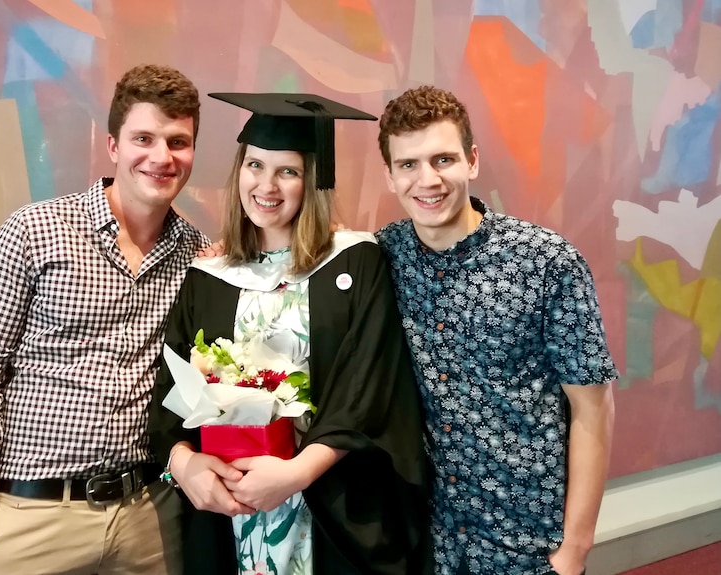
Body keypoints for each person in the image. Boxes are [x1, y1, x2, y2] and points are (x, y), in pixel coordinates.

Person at [0, 63, 210, 575]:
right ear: (113, 146)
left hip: (149, 516)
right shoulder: (34, 231)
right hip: (35, 514)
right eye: (144, 138)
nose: (162, 156)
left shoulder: (197, 257)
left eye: (178, 141)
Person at [148, 92, 430, 574]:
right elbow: (171, 391)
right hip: (228, 513)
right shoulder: (209, 275)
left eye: (289, 171)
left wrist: (295, 474)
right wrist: (183, 464)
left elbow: (368, 389)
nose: (266, 185)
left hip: (328, 512)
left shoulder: (355, 261)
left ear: (313, 182)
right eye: (255, 165)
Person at [375, 86, 618, 575]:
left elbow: (593, 407)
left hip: (527, 541)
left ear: (472, 161)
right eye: (409, 165)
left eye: (443, 159)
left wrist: (575, 548)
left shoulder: (547, 263)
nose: (428, 180)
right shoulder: (383, 255)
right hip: (431, 536)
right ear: (390, 175)